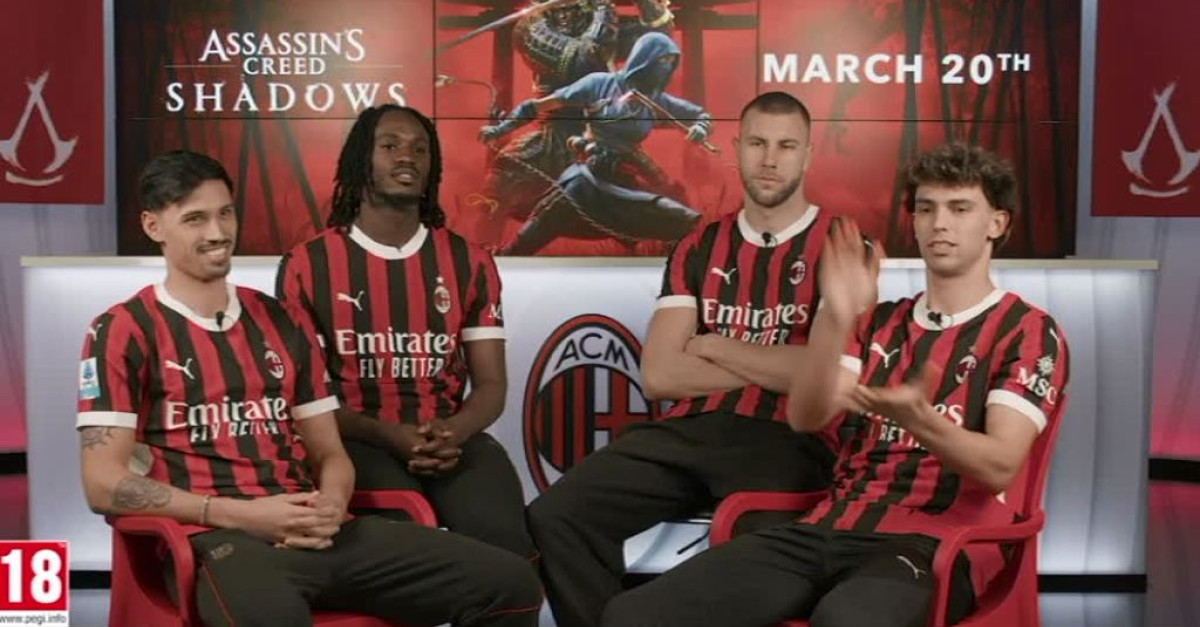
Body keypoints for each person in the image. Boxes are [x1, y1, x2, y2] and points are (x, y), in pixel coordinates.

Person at [600, 143, 1071, 627]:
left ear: (997, 223)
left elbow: (998, 466)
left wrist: (919, 421)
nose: (940, 224)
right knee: (631, 614)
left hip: (934, 546)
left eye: (960, 208)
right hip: (826, 528)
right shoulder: (880, 323)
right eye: (926, 209)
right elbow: (807, 414)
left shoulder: (1028, 331)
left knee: (845, 621)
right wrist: (840, 315)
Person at [78, 150, 542, 627]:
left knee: (510, 583)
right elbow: (102, 483)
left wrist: (332, 505)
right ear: (153, 226)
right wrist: (239, 515)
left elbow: (330, 453)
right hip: (218, 540)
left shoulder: (281, 320)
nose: (217, 233)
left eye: (225, 213)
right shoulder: (122, 329)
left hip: (317, 530)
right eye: (195, 219)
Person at [525, 91, 840, 627]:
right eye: (758, 143)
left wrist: (714, 345)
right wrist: (778, 362)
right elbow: (660, 374)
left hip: (787, 437)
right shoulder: (700, 244)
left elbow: (823, 375)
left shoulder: (842, 243)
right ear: (737, 149)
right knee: (556, 516)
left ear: (808, 155)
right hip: (691, 429)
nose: (770, 159)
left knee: (760, 560)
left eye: (786, 146)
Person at [276, 105, 536, 561]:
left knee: (506, 542)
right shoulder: (308, 264)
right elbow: (305, 399)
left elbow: (492, 385)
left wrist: (453, 431)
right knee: (405, 542)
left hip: (449, 438)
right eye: (390, 146)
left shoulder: (469, 261)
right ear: (361, 158)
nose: (407, 158)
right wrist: (389, 434)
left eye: (420, 149)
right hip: (355, 440)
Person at [480, 31, 709, 255]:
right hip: (589, 173)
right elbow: (535, 107)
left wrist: (701, 127)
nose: (665, 68)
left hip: (625, 176)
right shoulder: (599, 84)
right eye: (661, 60)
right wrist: (499, 130)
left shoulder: (657, 100)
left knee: (683, 218)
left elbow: (701, 115)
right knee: (548, 216)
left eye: (670, 63)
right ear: (644, 58)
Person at [477, 0, 676, 239]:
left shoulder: (598, 19)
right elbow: (586, 61)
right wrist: (603, 6)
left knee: (666, 194)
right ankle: (483, 251)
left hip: (605, 134)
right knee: (497, 187)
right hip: (553, 136)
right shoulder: (531, 27)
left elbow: (657, 41)